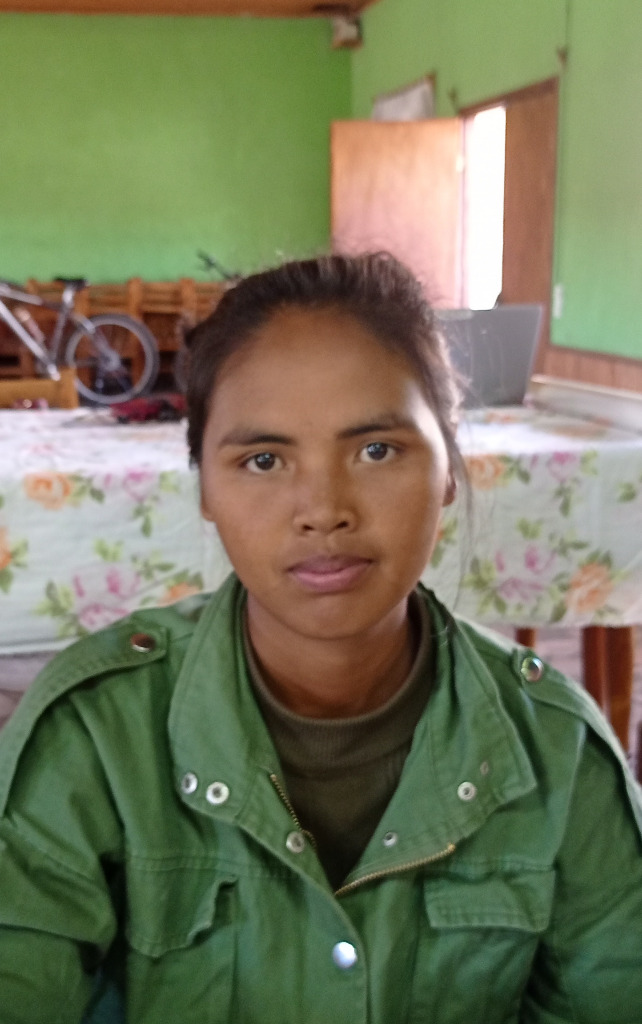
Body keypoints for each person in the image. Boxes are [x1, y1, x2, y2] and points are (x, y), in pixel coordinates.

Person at [0, 253, 641, 1024]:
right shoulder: (94, 736)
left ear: (448, 467)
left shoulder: (558, 750)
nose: (323, 509)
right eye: (264, 459)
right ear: (205, 487)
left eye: (376, 450)